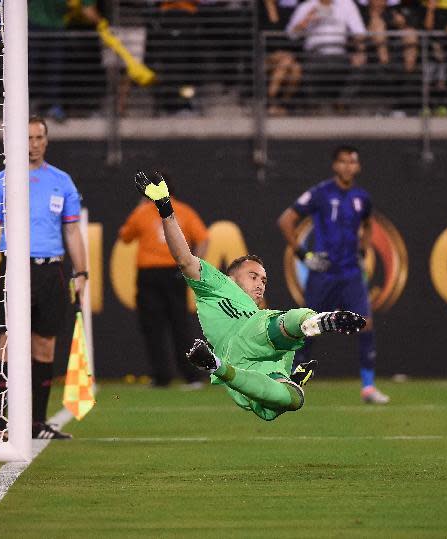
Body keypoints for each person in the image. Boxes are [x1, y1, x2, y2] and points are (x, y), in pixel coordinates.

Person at [134, 170, 366, 422]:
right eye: (253, 276)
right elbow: (184, 258)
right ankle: (319, 322)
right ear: (232, 277)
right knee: (278, 322)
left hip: (241, 373)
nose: (260, 284)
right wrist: (165, 209)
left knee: (287, 403)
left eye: (264, 280)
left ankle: (223, 367)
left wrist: (289, 377)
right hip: (242, 342)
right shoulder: (219, 285)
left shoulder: (258, 315)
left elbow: (279, 354)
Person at [0, 116, 89, 440]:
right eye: (28, 138)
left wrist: (82, 271)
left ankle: (36, 422)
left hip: (52, 270)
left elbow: (72, 230)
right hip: (15, 268)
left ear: (46, 140)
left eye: (38, 137)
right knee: (6, 341)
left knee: (45, 345)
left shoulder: (62, 181)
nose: (33, 144)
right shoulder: (1, 182)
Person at [277, 145, 389, 404]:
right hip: (324, 272)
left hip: (350, 272)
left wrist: (363, 249)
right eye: (343, 162)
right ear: (335, 166)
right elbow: (286, 220)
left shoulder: (362, 197)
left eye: (353, 162)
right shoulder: (320, 193)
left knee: (365, 323)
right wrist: (303, 255)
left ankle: (368, 388)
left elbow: (369, 223)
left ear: (358, 167)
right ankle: (292, 382)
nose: (348, 166)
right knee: (308, 327)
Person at [118, 175, 209, 388]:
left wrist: (140, 206)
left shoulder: (142, 212)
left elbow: (124, 236)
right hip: (174, 272)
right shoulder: (183, 210)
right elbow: (203, 238)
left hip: (151, 274)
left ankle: (162, 377)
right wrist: (194, 264)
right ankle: (191, 376)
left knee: (154, 327)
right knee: (179, 325)